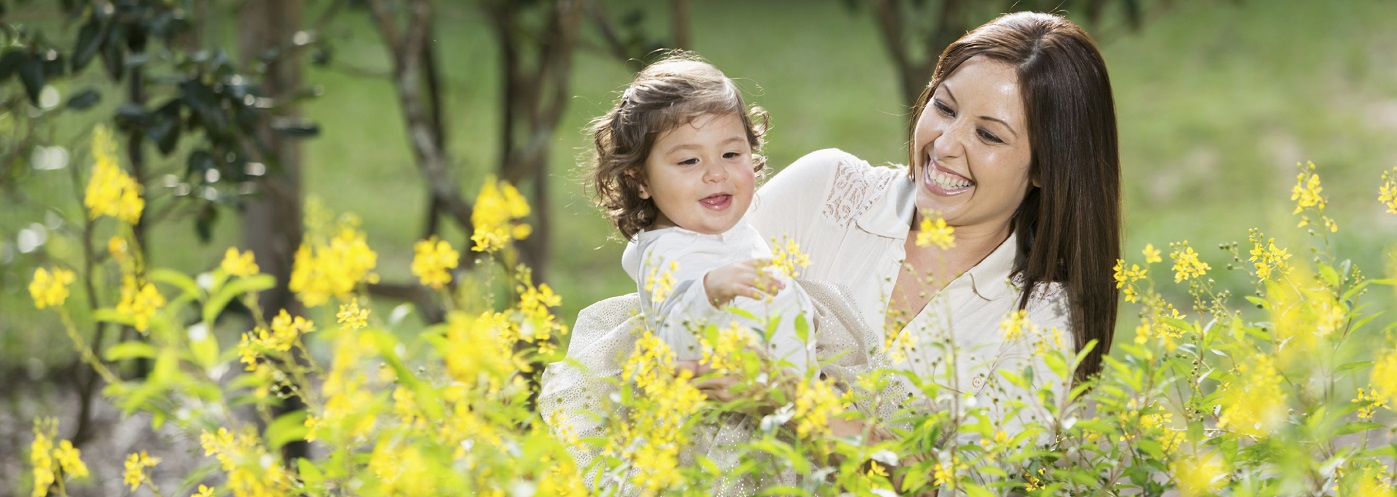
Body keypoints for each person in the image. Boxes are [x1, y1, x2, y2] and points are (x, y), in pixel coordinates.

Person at [544, 10, 1121, 493]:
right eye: (943, 108)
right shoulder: (827, 189)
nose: (945, 146)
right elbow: (677, 289)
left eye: (990, 135)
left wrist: (794, 400)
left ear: (1047, 166)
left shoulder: (1042, 318)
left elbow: (961, 485)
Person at [585, 52, 817, 373]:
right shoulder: (665, 253)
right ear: (639, 181)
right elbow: (674, 344)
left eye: (731, 154)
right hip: (728, 412)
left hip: (782, 390)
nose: (716, 173)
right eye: (689, 161)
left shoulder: (725, 229)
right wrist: (708, 291)